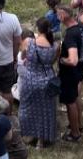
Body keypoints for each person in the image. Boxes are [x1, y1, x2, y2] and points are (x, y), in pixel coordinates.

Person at [18, 17, 58, 148]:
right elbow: (52, 62)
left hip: (30, 79)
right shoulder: (55, 45)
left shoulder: (29, 42)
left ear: (38, 29)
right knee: (45, 111)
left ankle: (30, 134)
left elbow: (23, 56)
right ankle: (41, 141)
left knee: (27, 108)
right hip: (47, 80)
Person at [56, 3, 83, 142]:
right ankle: (79, 124)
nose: (58, 17)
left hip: (70, 74)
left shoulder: (70, 35)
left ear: (63, 15)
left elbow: (73, 60)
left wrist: (62, 59)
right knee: (75, 97)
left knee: (70, 102)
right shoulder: (82, 27)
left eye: (58, 14)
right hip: (80, 69)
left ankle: (74, 133)